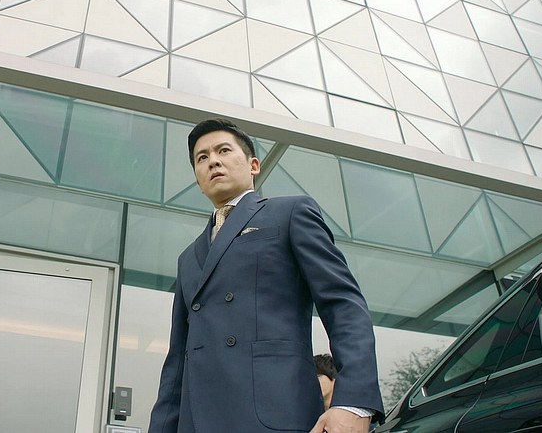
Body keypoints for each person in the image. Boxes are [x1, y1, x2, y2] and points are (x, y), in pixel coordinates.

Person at [148, 118, 384, 433]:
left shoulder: (290, 213)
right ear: (198, 179)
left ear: (254, 165)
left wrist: (354, 401)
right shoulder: (188, 258)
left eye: (223, 150)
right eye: (202, 157)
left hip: (274, 415)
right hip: (198, 422)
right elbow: (177, 361)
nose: (213, 161)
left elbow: (343, 304)